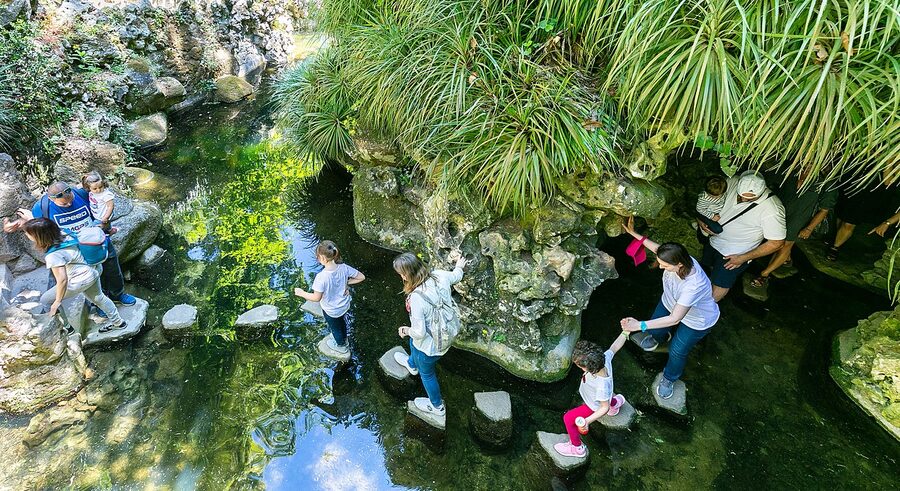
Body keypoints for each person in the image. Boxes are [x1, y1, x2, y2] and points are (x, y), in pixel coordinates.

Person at [620, 217, 720, 399]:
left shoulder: (693, 285)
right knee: (656, 324)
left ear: (679, 264)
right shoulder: (677, 256)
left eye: (665, 266)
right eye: (660, 263)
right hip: (669, 300)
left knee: (677, 350)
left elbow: (675, 318)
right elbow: (657, 249)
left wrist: (639, 325)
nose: (661, 267)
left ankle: (669, 377)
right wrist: (633, 233)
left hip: (697, 320)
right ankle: (657, 338)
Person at [2, 181, 136, 307]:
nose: (68, 205)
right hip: (74, 248)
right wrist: (20, 225)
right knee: (91, 276)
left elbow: (100, 205)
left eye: (70, 201)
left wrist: (107, 225)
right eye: (64, 204)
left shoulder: (81, 193)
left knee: (112, 268)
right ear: (51, 199)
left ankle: (118, 294)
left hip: (98, 241)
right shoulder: (42, 207)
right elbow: (38, 226)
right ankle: (100, 303)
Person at [392, 252, 467, 417]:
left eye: (400, 274)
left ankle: (437, 406)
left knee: (427, 373)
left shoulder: (416, 298)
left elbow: (418, 333)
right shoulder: (439, 275)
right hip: (448, 331)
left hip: (430, 346)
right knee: (413, 346)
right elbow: (456, 276)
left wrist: (405, 330)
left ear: (405, 275)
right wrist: (459, 266)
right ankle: (412, 365)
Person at [23, 218, 127, 333]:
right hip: (94, 268)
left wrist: (57, 301)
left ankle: (67, 329)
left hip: (82, 278)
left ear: (39, 236)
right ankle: (119, 322)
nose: (27, 235)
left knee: (46, 300)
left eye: (29, 233)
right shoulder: (63, 232)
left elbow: (62, 280)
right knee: (99, 297)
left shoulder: (53, 255)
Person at [697, 170, 786, 301]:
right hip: (713, 241)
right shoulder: (731, 181)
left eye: (750, 199)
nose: (744, 199)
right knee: (705, 271)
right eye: (741, 196)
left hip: (734, 254)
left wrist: (743, 258)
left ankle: (701, 312)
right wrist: (701, 221)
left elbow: (776, 243)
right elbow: (705, 200)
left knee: (720, 284)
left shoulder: (773, 209)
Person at [751, 174, 837, 287]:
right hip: (780, 211)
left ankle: (764, 274)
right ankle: (786, 259)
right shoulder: (793, 172)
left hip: (800, 218)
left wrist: (809, 228)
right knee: (775, 239)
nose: (807, 166)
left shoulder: (826, 182)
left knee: (786, 244)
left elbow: (824, 209)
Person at [554, 336, 628, 458]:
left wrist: (587, 421)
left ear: (589, 369)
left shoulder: (601, 385)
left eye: (580, 366)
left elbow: (603, 407)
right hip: (605, 395)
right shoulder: (604, 359)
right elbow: (614, 347)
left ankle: (577, 448)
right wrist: (625, 333)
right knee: (607, 398)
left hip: (594, 404)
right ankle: (615, 403)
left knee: (568, 418)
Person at [294, 240, 365, 356]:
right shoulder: (344, 268)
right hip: (344, 305)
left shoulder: (321, 277)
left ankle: (341, 345)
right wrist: (347, 284)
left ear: (322, 258)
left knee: (335, 328)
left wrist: (301, 293)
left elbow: (316, 298)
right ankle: (344, 337)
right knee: (341, 321)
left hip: (331, 310)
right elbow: (361, 277)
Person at [827, 184, 900, 261]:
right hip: (853, 187)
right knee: (842, 215)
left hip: (869, 195)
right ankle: (836, 238)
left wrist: (887, 223)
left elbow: (887, 183)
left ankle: (835, 247)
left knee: (849, 222)